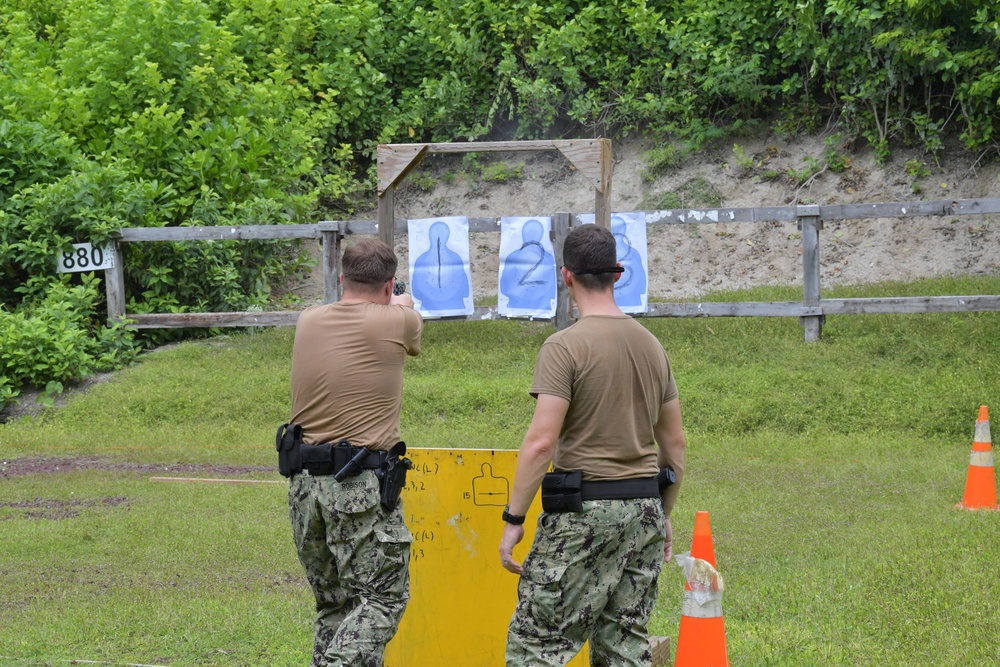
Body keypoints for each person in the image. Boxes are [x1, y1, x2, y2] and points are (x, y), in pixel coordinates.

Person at [498, 224, 686, 667]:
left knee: (537, 647)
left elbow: (542, 442)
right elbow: (674, 445)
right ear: (617, 274)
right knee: (624, 644)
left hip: (583, 514)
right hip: (642, 509)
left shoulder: (564, 347)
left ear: (566, 276)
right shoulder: (652, 346)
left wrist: (514, 519)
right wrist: (662, 511)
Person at [287, 237, 423, 667]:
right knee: (382, 600)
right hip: (357, 486)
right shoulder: (399, 321)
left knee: (336, 604)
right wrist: (402, 301)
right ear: (388, 285)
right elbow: (409, 326)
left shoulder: (308, 319)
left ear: (341, 278)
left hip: (305, 486)